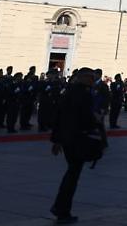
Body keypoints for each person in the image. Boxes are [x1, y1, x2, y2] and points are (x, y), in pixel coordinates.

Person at [50, 68, 105, 224]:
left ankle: (60, 207)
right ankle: (62, 209)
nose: (93, 80)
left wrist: (56, 140)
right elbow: (86, 118)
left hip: (67, 139)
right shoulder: (85, 94)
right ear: (84, 78)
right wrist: (96, 120)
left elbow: (59, 117)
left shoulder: (68, 92)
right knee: (73, 175)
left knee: (71, 172)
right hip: (79, 138)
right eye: (91, 77)